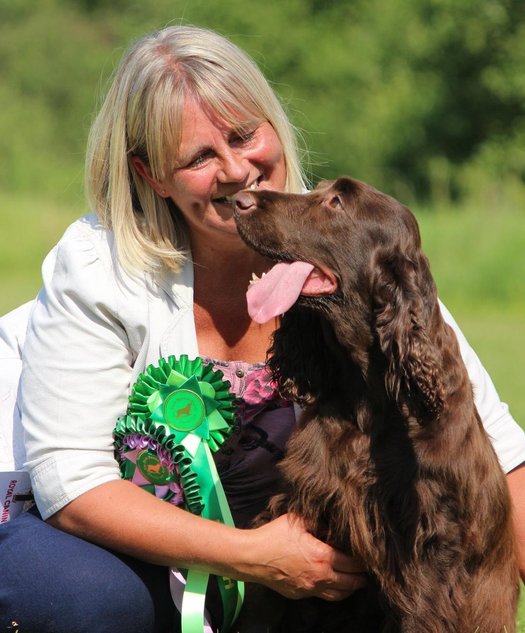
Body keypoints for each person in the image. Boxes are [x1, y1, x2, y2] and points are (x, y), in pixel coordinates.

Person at [0, 25, 524, 633]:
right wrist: (261, 560)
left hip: (282, 564)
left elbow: (495, 455)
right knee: (83, 600)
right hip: (91, 533)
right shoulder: (100, 265)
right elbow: (72, 482)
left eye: (245, 136)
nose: (236, 171)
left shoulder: (343, 247)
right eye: (199, 158)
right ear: (150, 175)